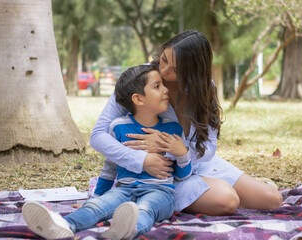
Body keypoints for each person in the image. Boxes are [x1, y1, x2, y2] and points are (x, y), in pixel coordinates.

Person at [90, 30, 283, 216]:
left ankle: (207, 187)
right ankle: (146, 198)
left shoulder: (205, 88)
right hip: (157, 174)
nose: (164, 71)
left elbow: (209, 147)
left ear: (193, 71)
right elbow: (98, 135)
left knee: (273, 199)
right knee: (227, 200)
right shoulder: (139, 79)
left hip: (195, 163)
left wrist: (171, 148)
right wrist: (142, 160)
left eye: (176, 70)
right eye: (164, 59)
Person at [22, 63, 192, 240]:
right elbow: (110, 166)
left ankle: (128, 230)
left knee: (145, 209)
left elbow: (181, 175)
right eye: (157, 86)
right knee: (96, 207)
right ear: (138, 99)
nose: (166, 90)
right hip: (124, 190)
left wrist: (182, 154)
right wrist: (95, 199)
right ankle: (62, 225)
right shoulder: (118, 127)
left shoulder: (173, 129)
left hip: (161, 192)